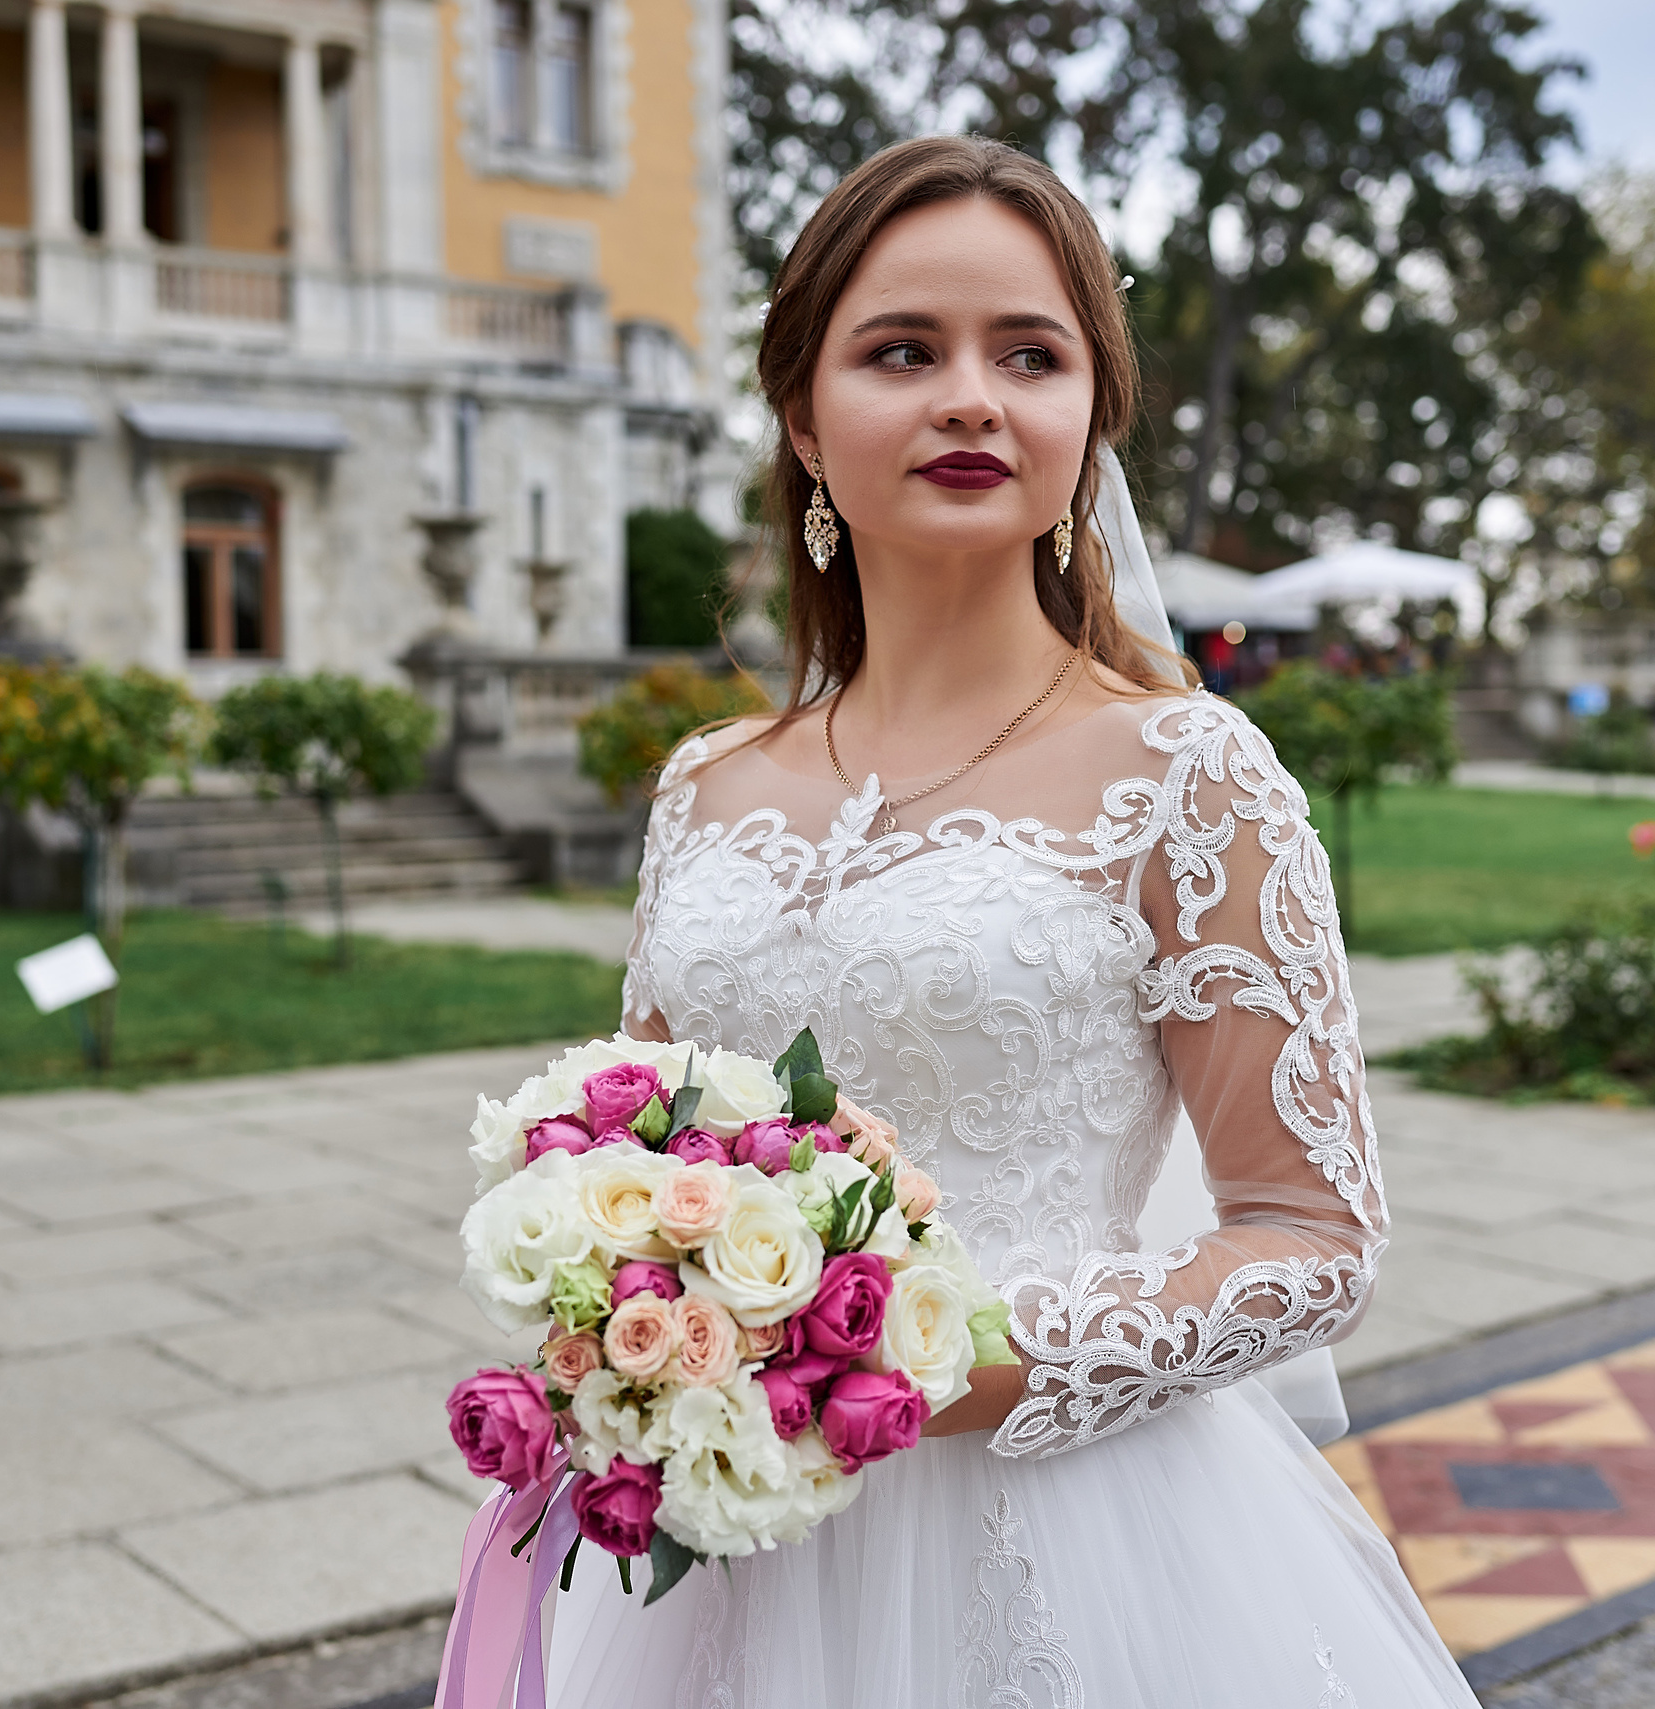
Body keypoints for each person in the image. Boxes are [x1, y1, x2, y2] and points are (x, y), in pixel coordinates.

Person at [543, 136, 1475, 1706]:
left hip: (1066, 1530)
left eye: (1029, 355)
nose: (972, 396)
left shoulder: (1189, 772)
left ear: (1086, 419)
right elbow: (636, 1153)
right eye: (904, 350)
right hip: (725, 1547)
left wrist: (944, 1361)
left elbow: (1312, 1239)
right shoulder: (706, 782)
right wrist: (606, 1308)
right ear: (802, 416)